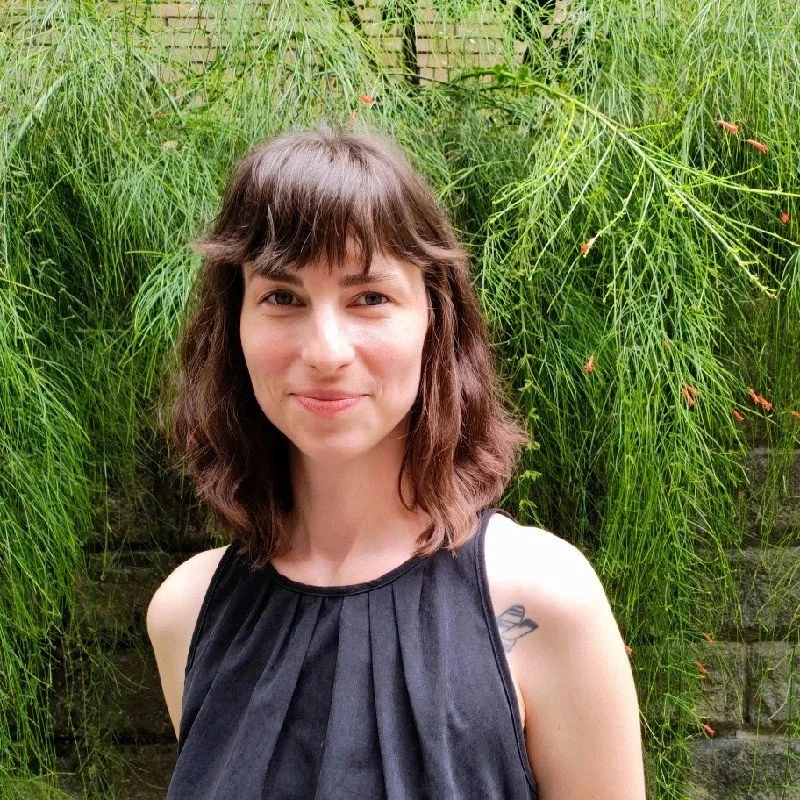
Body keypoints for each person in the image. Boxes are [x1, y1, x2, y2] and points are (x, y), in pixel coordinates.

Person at [146, 124, 647, 800]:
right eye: (283, 298)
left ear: (433, 321)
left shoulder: (545, 600)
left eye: (370, 298)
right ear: (235, 325)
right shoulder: (187, 614)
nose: (326, 351)